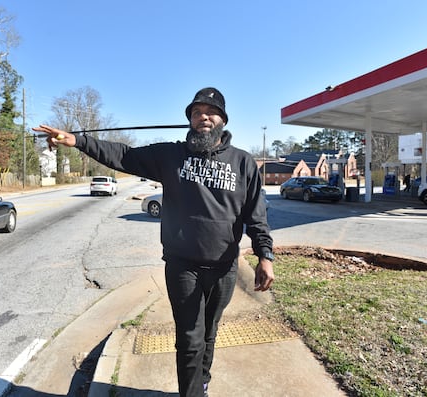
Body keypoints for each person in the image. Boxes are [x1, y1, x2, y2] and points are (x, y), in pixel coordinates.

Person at [33, 87, 275, 397]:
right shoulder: (169, 156)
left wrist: (264, 256)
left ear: (223, 120)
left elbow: (256, 214)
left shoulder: (243, 163)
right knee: (190, 337)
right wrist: (78, 140)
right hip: (182, 266)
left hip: (224, 268)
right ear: (189, 119)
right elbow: (122, 155)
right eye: (197, 111)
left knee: (209, 334)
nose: (204, 116)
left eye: (211, 111)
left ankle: (201, 382)